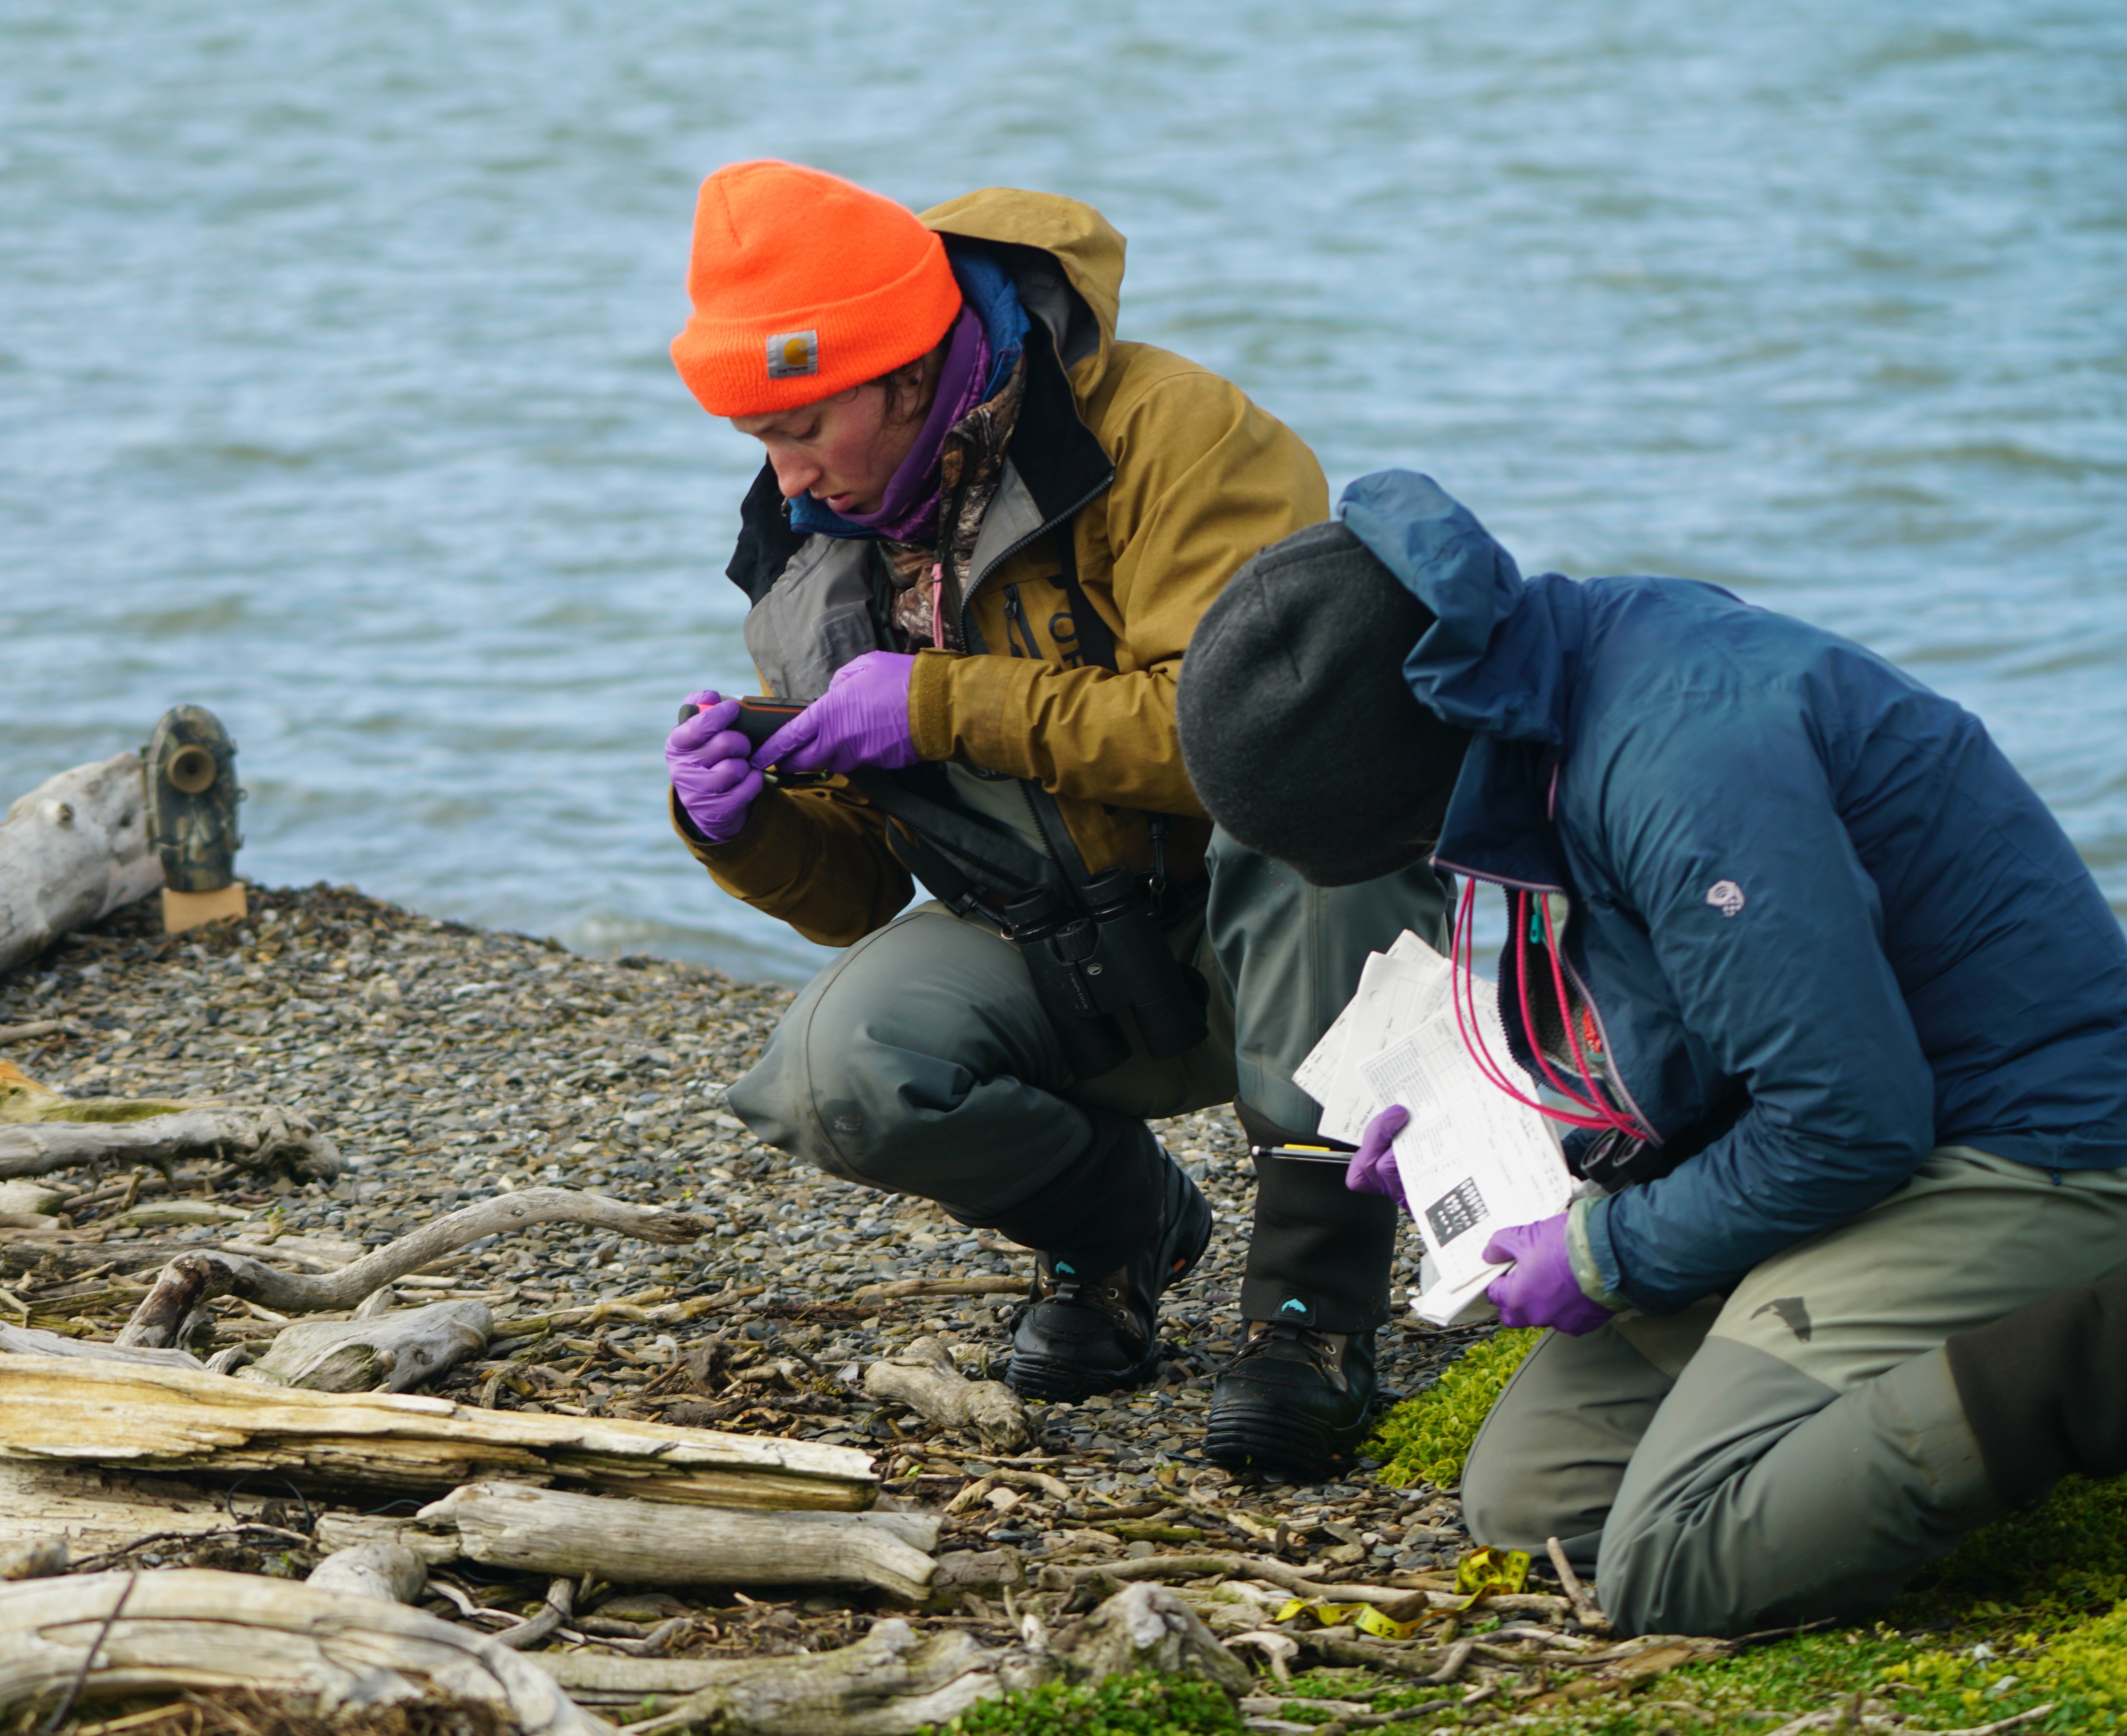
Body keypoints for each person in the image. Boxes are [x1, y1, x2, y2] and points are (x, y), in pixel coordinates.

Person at [1173, 469, 2127, 1635]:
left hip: (2025, 1144)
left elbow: (1848, 1121)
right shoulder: (1537, 689)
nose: (1426, 867)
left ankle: (2089, 1360)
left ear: (1419, 786)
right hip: (1865, 1136)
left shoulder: (1687, 772)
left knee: (1674, 1566)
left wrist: (1606, 1253)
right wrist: (1477, 1125)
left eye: (1412, 848)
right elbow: (1681, 1023)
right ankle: (1873, 1394)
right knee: (1535, 1500)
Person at [659, 160, 1444, 1473]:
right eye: (758, 444)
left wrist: (939, 706)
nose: (788, 479)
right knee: (828, 1078)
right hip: (1067, 947)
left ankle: (1310, 1316)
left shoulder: (1173, 434)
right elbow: (858, 893)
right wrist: (738, 822)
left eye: (804, 427)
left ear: (908, 371)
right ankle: (1118, 1235)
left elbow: (1245, 739)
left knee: (1316, 825)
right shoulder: (815, 544)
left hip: (1265, 921)